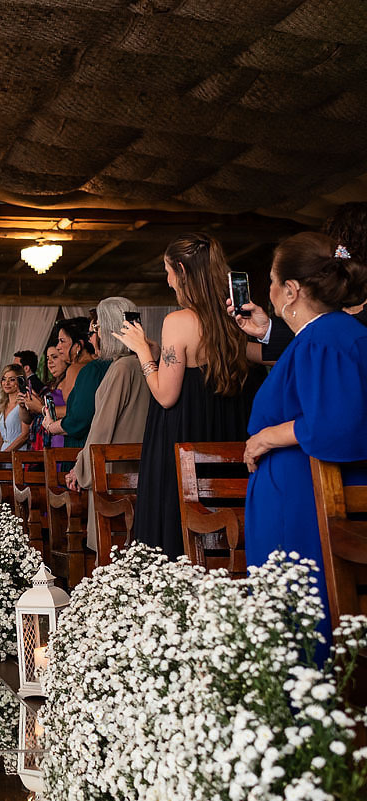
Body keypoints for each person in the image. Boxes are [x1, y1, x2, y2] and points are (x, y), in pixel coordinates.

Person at [243, 233, 367, 643]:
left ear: (291, 290)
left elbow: (335, 425)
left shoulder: (325, 337)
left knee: (299, 623)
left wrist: (265, 438)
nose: (270, 293)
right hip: (297, 497)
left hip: (302, 507)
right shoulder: (326, 334)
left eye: (273, 283)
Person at [115, 232, 254, 559]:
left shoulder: (178, 321)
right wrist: (159, 353)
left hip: (182, 439)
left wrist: (141, 353)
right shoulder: (230, 320)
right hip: (223, 437)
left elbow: (166, 395)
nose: (167, 280)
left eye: (167, 271)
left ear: (181, 269)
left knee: (174, 532)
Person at [65, 298, 152, 552]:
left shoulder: (122, 368)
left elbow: (102, 427)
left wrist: (79, 469)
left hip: (115, 473)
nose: (93, 338)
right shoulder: (145, 363)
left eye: (96, 330)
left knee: (110, 550)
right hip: (140, 469)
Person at [231, 202, 367, 363]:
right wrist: (266, 330)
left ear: (291, 290)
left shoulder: (333, 336)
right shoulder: (327, 327)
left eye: (273, 280)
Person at [43, 318, 110, 448]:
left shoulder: (78, 369)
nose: (58, 347)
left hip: (82, 442)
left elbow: (76, 414)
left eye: (62, 341)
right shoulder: (106, 364)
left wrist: (50, 425)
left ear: (78, 346)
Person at [20, 343, 67, 450]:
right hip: (48, 439)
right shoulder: (51, 384)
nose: (49, 362)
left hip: (63, 440)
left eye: (54, 357)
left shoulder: (69, 381)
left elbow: (72, 412)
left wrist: (41, 407)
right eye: (47, 358)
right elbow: (27, 419)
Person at [0, 364, 32, 452]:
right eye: (4, 379)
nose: (6, 383)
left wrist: (5, 454)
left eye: (12, 380)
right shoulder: (3, 405)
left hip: (18, 453)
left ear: (20, 381)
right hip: (2, 454)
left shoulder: (24, 403)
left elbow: (25, 435)